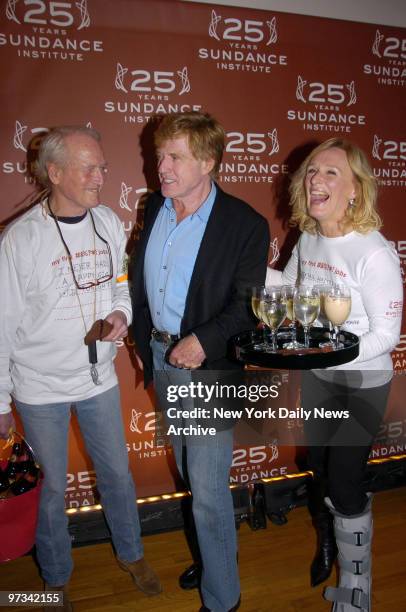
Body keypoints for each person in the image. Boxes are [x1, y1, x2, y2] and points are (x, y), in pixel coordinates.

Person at [0, 126, 161, 611]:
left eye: (102, 166)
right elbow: (2, 322)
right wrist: (0, 401)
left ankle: (131, 554)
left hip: (98, 380)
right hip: (39, 386)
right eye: (88, 167)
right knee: (50, 493)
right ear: (54, 173)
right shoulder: (20, 239)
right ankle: (54, 579)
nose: (101, 176)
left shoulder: (108, 222)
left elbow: (119, 286)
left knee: (117, 475)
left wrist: (122, 315)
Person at [131, 111, 270, 612]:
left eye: (174, 157)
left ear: (208, 162)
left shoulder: (245, 224)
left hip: (206, 367)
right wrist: (142, 336)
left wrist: (202, 341)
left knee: (209, 491)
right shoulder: (155, 207)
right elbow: (145, 279)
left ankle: (223, 599)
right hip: (161, 358)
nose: (160, 166)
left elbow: (250, 305)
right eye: (158, 156)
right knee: (192, 473)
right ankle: (214, 558)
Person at [266, 137, 403, 611]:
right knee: (322, 472)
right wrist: (243, 269)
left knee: (345, 482)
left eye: (330, 173)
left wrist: (323, 356)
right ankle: (333, 548)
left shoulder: (374, 253)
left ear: (354, 190)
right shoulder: (309, 237)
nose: (316, 180)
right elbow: (290, 287)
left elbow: (387, 336)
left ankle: (357, 590)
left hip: (362, 381)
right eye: (311, 172)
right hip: (322, 377)